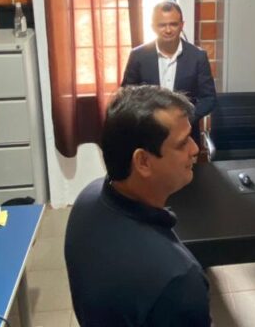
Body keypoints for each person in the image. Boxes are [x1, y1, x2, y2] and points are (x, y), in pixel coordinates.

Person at [65, 85, 210, 326]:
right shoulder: (178, 280)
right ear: (143, 161)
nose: (195, 149)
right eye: (182, 143)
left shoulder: (86, 200)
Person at [121, 1, 216, 144]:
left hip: (186, 135)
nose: (168, 30)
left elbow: (208, 98)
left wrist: (185, 119)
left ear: (182, 25)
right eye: (162, 25)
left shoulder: (198, 57)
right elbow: (127, 95)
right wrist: (148, 118)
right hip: (148, 134)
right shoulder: (138, 56)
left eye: (173, 24)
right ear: (153, 27)